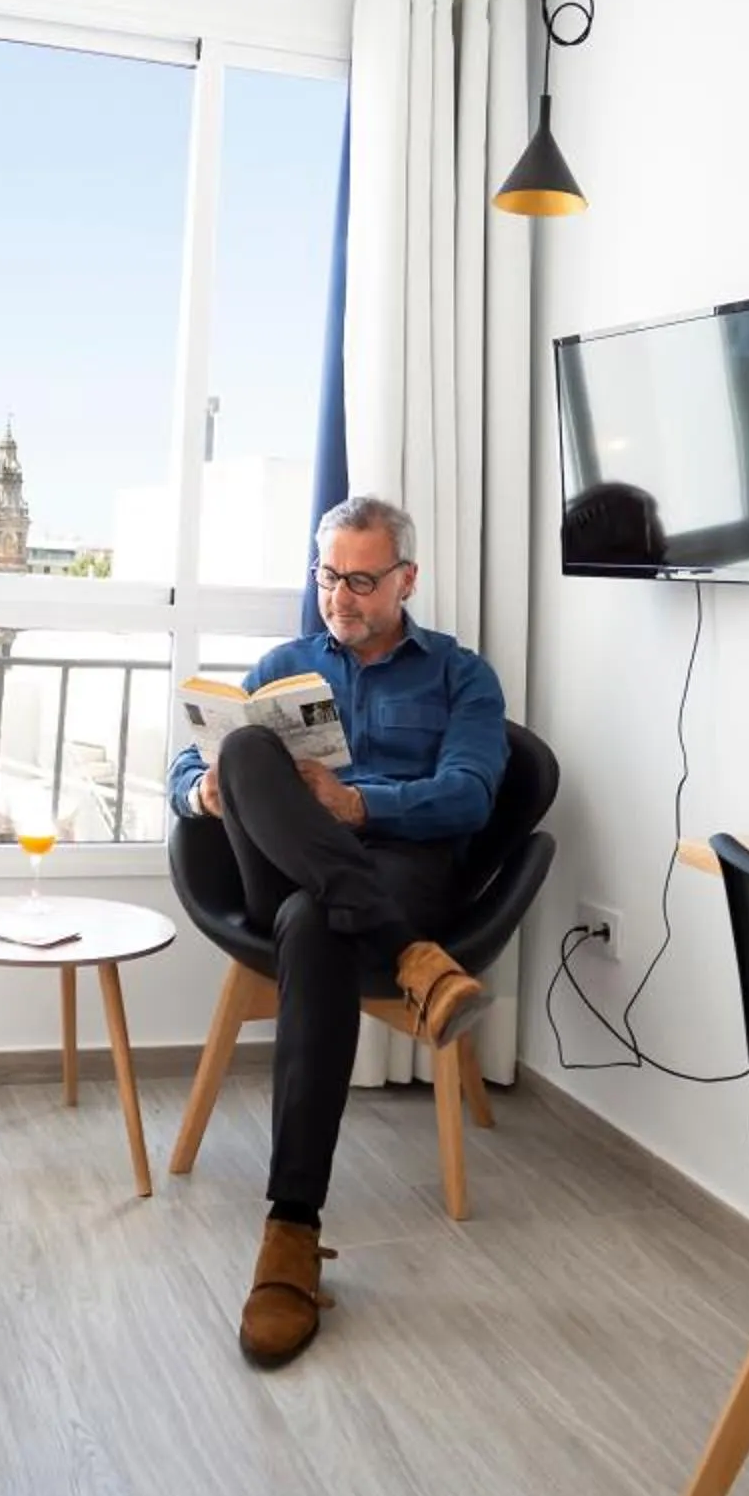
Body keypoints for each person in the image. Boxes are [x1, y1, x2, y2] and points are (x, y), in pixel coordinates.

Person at [167, 495, 507, 1367]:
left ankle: (290, 1231)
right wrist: (201, 791)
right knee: (243, 753)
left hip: (397, 867)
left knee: (314, 923)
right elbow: (184, 759)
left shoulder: (460, 677)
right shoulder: (284, 663)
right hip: (275, 867)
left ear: (407, 579)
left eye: (361, 580)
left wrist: (358, 804)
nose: (341, 598)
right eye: (328, 577)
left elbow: (472, 794)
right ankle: (409, 959)